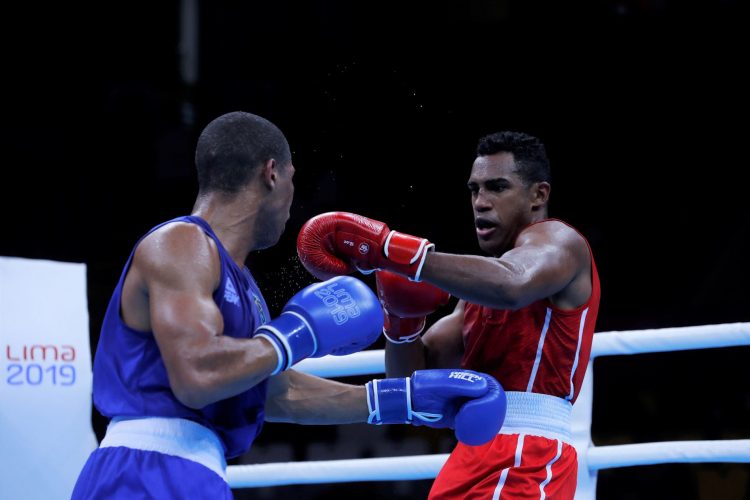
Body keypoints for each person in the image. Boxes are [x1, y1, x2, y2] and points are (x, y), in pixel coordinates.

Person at [71, 111, 507, 499]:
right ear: (272, 173)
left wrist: (403, 398)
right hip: (145, 469)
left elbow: (278, 392)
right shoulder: (181, 243)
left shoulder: (244, 288)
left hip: (195, 471)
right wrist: (295, 334)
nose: (292, 202)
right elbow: (197, 374)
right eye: (295, 180)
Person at [296, 130, 600, 499]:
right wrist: (401, 323)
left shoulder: (560, 242)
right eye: (474, 190)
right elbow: (409, 381)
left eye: (497, 187)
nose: (481, 202)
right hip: (470, 453)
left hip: (528, 450)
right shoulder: (474, 296)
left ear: (539, 194)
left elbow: (513, 285)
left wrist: (390, 249)